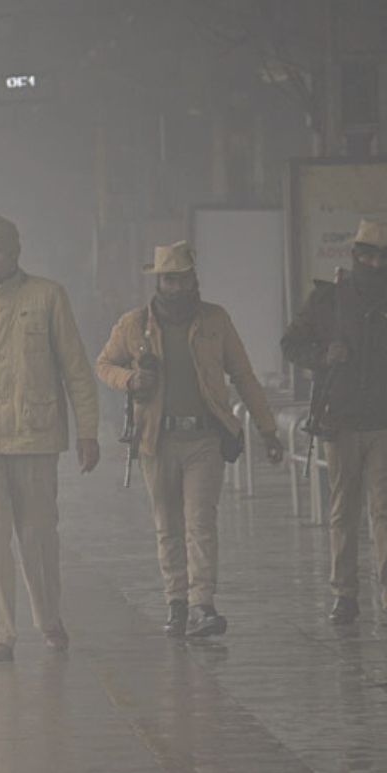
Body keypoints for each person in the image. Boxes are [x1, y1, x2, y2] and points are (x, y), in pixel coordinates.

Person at [95, 242, 285, 639]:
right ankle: (176, 602)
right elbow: (103, 363)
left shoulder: (215, 320)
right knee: (167, 524)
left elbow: (244, 376)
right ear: (158, 282)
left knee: (201, 522)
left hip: (204, 438)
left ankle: (203, 604)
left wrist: (268, 428)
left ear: (194, 279)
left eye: (183, 278)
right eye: (169, 279)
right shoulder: (134, 325)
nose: (177, 287)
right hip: (156, 440)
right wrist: (129, 380)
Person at [0, 214, 100, 662]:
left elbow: (76, 369)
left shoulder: (48, 297)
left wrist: (88, 431)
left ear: (15, 253)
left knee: (39, 537)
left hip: (35, 438)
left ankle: (49, 619)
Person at [282, 219, 387, 627]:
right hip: (341, 423)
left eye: (384, 255)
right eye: (369, 254)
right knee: (343, 511)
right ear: (355, 255)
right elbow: (292, 343)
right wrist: (323, 356)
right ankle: (344, 594)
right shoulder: (328, 300)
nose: (377, 261)